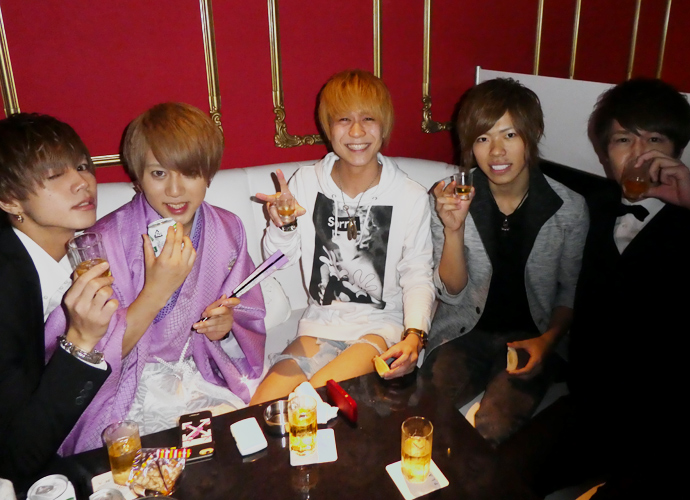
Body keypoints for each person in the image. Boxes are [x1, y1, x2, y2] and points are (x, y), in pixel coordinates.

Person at [501, 78, 690, 498]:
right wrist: (547, 340)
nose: (639, 154)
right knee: (501, 476)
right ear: (606, 154)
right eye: (623, 139)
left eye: (655, 139)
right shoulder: (589, 209)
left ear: (677, 151)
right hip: (590, 404)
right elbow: (565, 289)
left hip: (668, 420)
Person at [45, 102, 266, 454]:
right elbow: (86, 349)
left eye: (189, 173)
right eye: (159, 174)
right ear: (138, 177)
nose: (175, 191)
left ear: (208, 175)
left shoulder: (227, 229)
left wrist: (224, 329)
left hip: (200, 372)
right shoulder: (104, 242)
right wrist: (157, 290)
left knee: (241, 452)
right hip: (129, 388)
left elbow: (247, 313)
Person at [420, 78, 589, 446]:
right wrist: (453, 229)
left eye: (509, 135)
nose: (496, 151)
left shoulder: (568, 208)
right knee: (425, 416)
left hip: (531, 336)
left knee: (492, 429)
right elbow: (450, 293)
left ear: (533, 133)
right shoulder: (449, 197)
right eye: (482, 138)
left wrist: (547, 342)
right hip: (464, 332)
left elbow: (570, 291)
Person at [249, 69, 435, 405]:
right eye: (344, 119)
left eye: (368, 119)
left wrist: (415, 335)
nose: (357, 132)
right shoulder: (306, 182)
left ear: (384, 125)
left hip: (380, 328)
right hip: (319, 325)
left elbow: (418, 274)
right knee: (261, 408)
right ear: (328, 127)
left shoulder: (410, 196)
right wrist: (283, 225)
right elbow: (278, 262)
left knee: (311, 402)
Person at [0, 113, 117, 489]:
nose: (83, 182)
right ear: (9, 199)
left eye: (82, 166)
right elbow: (17, 457)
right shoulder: (6, 287)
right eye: (55, 175)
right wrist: (81, 340)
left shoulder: (85, 249)